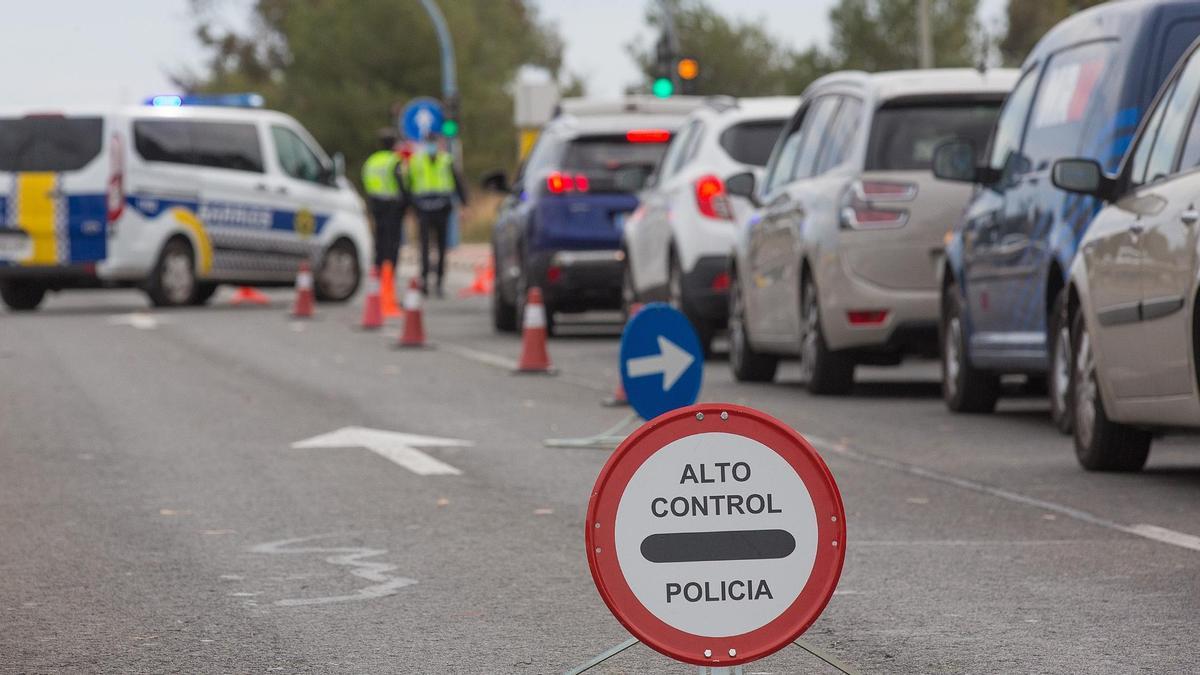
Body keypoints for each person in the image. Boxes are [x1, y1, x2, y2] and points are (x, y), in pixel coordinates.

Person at [405, 133, 467, 297]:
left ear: (439, 144)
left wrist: (464, 205)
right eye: (429, 143)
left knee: (441, 246)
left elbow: (458, 183)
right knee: (424, 246)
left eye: (434, 143)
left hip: (442, 208)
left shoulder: (446, 160)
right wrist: (410, 207)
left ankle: (439, 281)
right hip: (423, 208)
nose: (432, 146)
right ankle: (424, 280)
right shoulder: (416, 161)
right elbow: (409, 186)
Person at [361, 130, 407, 270]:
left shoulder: (372, 160)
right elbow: (401, 184)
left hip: (375, 203)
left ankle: (377, 266)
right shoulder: (394, 160)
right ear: (394, 144)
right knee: (392, 240)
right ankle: (389, 270)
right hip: (392, 205)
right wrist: (406, 202)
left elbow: (365, 180)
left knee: (379, 238)